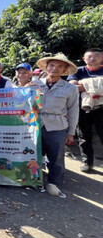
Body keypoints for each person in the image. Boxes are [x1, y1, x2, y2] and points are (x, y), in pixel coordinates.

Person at [33, 53, 79, 197]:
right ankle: (35, 179)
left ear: (65, 70)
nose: (55, 69)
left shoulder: (70, 88)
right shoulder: (35, 84)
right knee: (33, 154)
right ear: (46, 67)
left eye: (60, 66)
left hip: (57, 125)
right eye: (52, 65)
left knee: (56, 156)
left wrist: (71, 132)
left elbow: (73, 110)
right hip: (35, 124)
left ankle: (54, 183)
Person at [68, 47, 103, 172]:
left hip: (101, 108)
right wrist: (99, 84)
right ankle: (87, 163)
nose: (93, 59)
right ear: (84, 59)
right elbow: (73, 87)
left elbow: (79, 86)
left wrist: (84, 84)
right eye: (89, 57)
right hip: (83, 108)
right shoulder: (78, 70)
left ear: (102, 58)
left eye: (96, 56)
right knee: (84, 136)